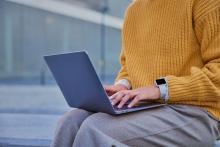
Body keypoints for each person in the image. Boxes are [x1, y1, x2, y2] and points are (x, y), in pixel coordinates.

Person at [51, 0, 220, 146]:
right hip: (147, 107)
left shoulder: (205, 3)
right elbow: (129, 65)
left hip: (197, 112)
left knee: (96, 129)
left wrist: (159, 89)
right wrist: (122, 85)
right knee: (70, 122)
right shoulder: (134, 10)